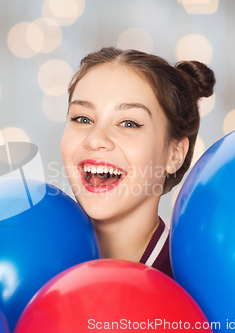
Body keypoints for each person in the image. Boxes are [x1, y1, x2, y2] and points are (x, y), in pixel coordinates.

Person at [60, 47, 215, 279]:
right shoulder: (34, 258)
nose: (95, 139)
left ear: (174, 154)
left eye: (129, 123)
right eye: (82, 118)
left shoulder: (196, 285)